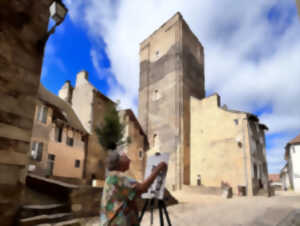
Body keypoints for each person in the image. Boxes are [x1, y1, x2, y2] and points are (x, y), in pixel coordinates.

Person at [100, 151, 167, 226]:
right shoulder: (117, 177)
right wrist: (158, 169)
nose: (130, 160)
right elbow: (142, 188)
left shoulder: (113, 177)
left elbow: (134, 191)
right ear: (119, 163)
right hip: (116, 222)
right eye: (125, 157)